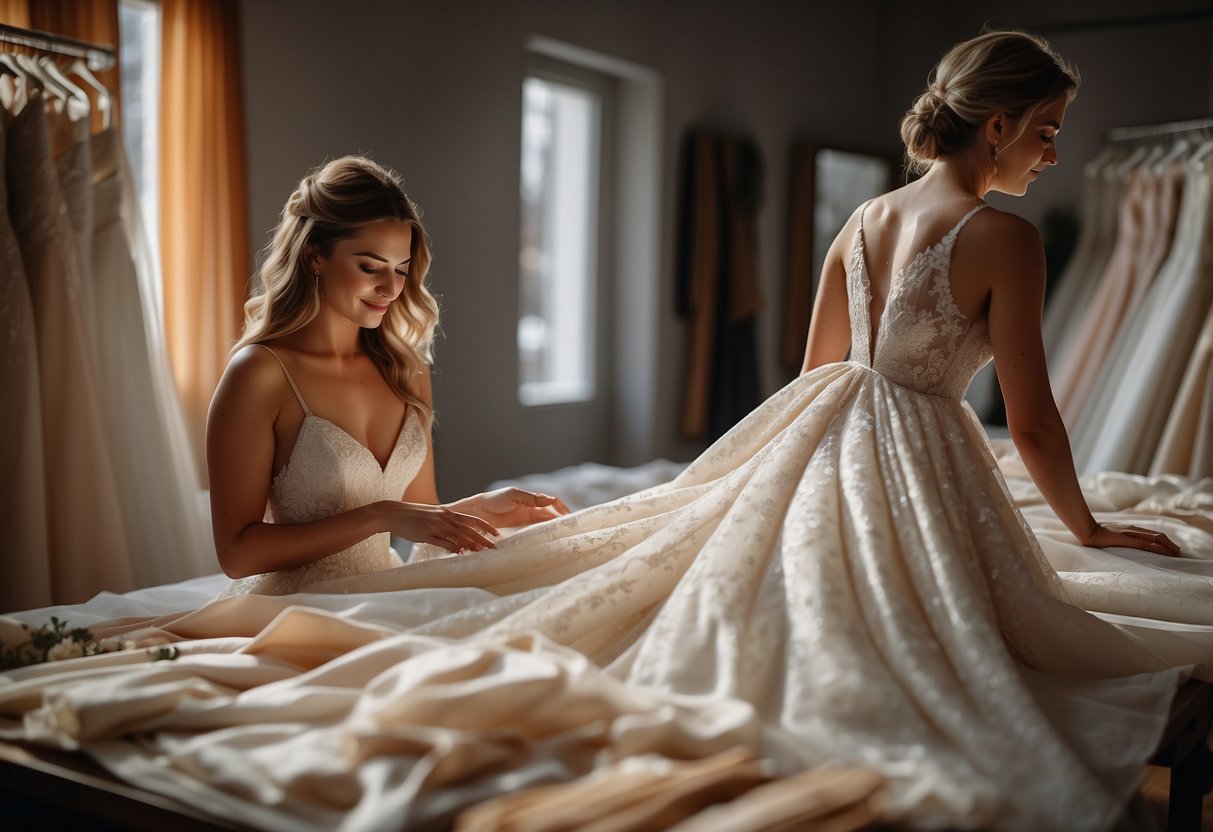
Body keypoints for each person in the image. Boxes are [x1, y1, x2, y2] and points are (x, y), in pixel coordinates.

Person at [2, 29, 1210, 832]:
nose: (1053, 150)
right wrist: (1086, 522)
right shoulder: (1001, 235)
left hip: (826, 421)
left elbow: (812, 373)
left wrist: (775, 470)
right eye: (1046, 126)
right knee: (918, 618)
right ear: (994, 128)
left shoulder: (866, 219)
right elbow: (1036, 419)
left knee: (760, 573)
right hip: (910, 428)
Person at [205, 156, 568, 596]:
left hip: (386, 591)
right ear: (314, 255)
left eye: (400, 269)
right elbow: (237, 554)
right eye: (370, 266)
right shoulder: (261, 373)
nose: (392, 288)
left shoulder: (405, 368)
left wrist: (486, 509)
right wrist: (378, 516)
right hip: (296, 607)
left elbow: (417, 513)